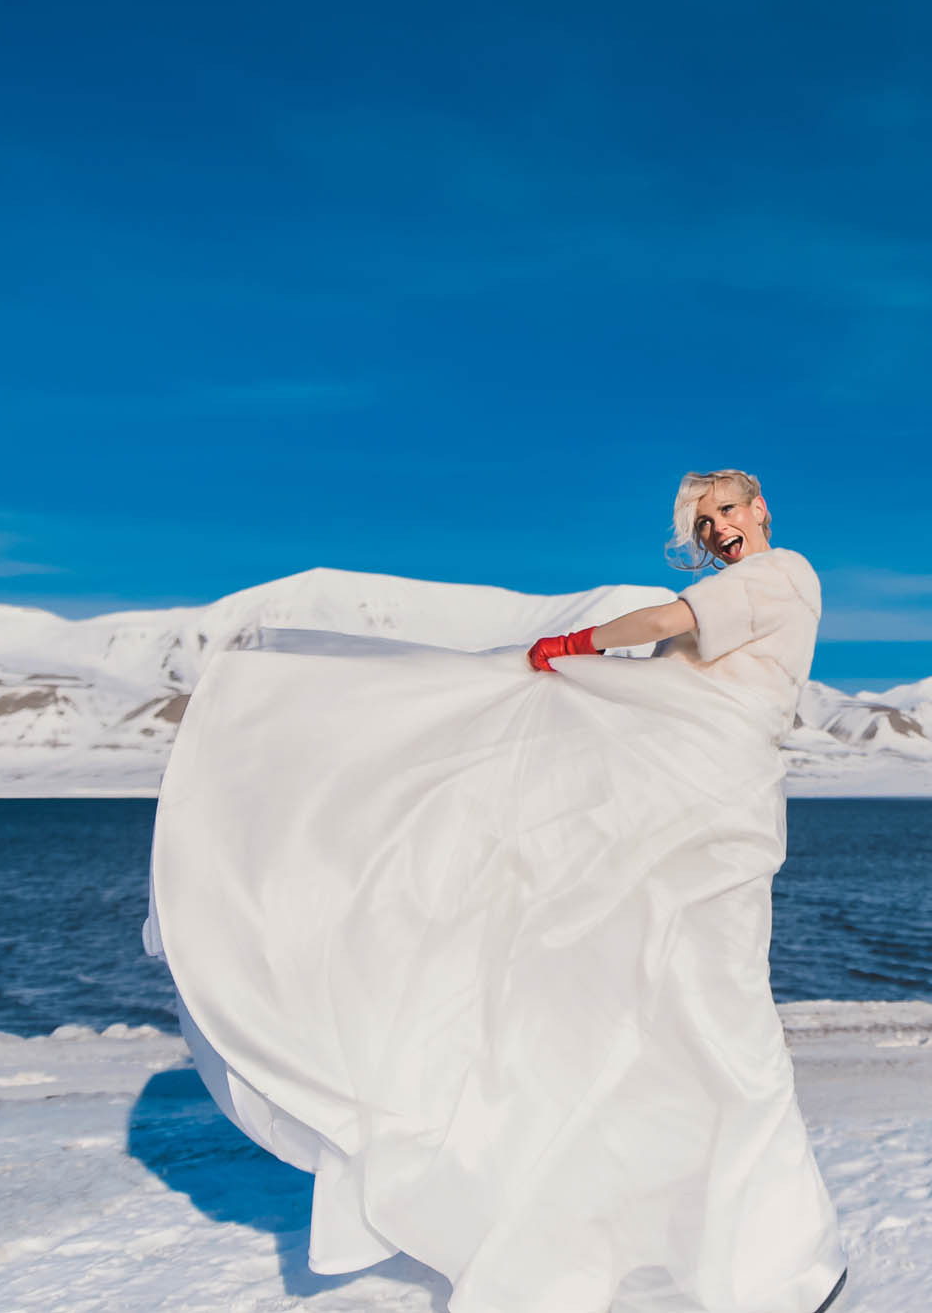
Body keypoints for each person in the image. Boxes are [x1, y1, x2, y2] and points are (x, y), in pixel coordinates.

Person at [146, 469, 848, 1313]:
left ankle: (776, 1266)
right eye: (704, 524)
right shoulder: (746, 589)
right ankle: (681, 1243)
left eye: (726, 511)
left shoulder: (779, 573)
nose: (718, 530)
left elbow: (669, 622)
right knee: (662, 1009)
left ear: (760, 506)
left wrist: (573, 645)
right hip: (688, 806)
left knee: (721, 1015)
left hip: (712, 809)